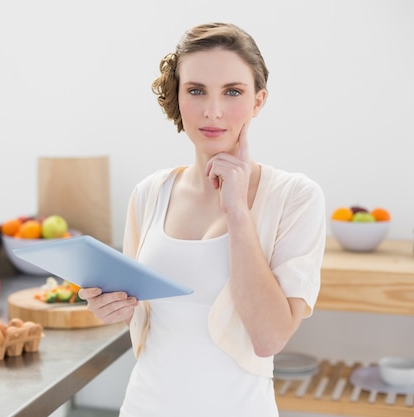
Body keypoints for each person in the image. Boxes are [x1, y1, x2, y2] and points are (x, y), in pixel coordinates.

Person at [79, 22, 326, 416]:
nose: (213, 111)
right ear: (178, 97)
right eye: (196, 91)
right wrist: (116, 308)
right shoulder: (149, 194)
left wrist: (238, 212)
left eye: (233, 92)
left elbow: (269, 337)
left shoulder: (295, 197)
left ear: (258, 101)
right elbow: (140, 317)